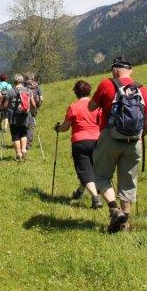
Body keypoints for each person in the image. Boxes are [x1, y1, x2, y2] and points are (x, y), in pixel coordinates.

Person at [89, 56, 147, 233]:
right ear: (131, 71)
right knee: (128, 181)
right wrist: (138, 137)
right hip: (134, 141)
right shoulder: (141, 89)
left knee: (100, 176)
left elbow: (91, 107)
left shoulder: (106, 84)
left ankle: (114, 210)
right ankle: (125, 223)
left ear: (115, 70)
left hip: (110, 137)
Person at [54, 80, 103, 209]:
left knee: (85, 170)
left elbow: (65, 127)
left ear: (76, 92)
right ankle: (79, 192)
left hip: (80, 142)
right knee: (91, 169)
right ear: (89, 91)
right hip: (98, 140)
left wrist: (58, 129)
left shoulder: (73, 107)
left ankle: (95, 197)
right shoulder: (97, 106)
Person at [6, 74, 36, 161]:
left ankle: (18, 154)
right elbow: (33, 104)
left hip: (13, 117)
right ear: (22, 81)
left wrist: (2, 108)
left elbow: (6, 104)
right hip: (25, 115)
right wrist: (33, 111)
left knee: (15, 136)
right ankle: (23, 149)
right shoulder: (28, 91)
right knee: (23, 133)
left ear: (14, 81)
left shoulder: (10, 91)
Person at [24, 72, 43, 150]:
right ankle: (28, 143)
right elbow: (41, 99)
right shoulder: (36, 86)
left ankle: (23, 142)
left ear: (26, 78)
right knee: (31, 126)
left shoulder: (24, 86)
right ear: (33, 77)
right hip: (33, 107)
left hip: (24, 108)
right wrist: (38, 107)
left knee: (24, 125)